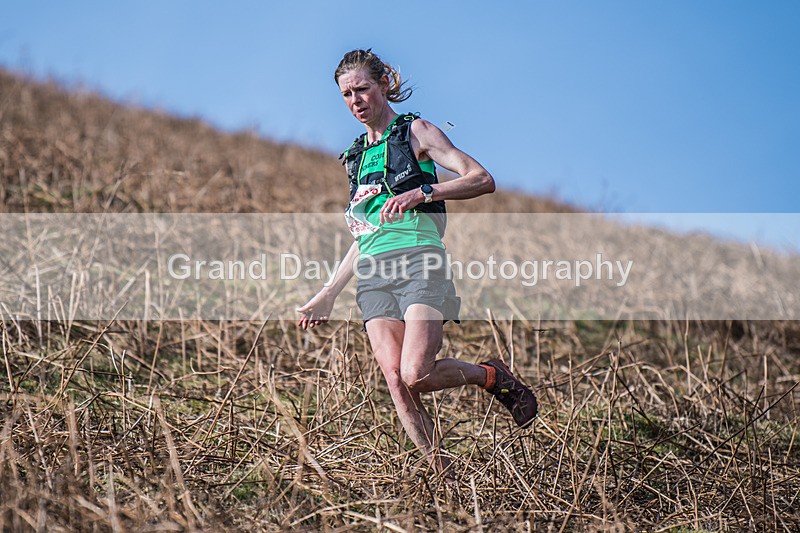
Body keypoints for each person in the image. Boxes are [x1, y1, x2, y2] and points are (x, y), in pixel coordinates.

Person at [297, 49, 537, 478]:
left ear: (384, 83)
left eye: (363, 88)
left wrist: (423, 194)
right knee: (395, 379)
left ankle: (490, 376)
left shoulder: (416, 131)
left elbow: (481, 178)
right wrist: (328, 293)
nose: (355, 100)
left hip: (419, 264)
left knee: (415, 372)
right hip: (373, 276)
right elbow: (364, 236)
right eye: (346, 94)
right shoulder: (354, 158)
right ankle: (442, 477)